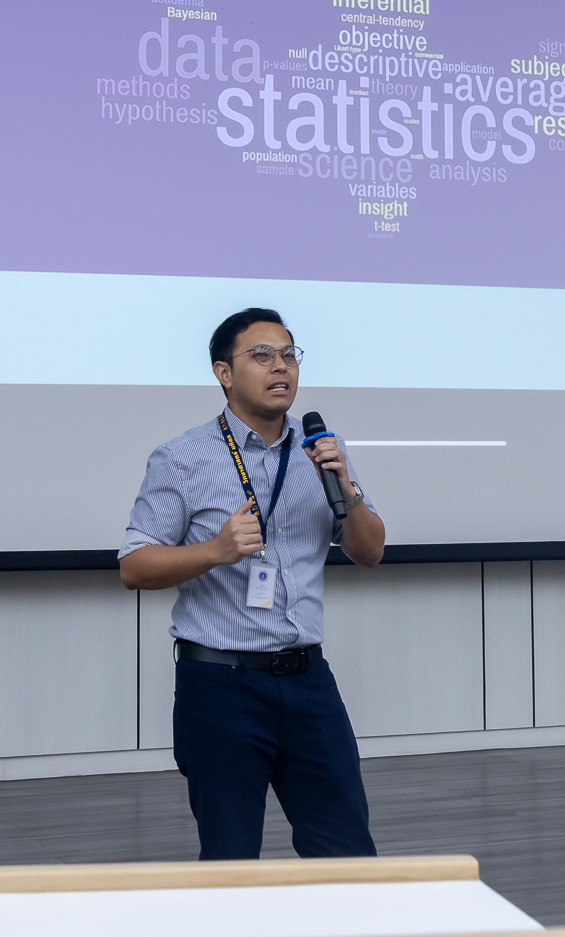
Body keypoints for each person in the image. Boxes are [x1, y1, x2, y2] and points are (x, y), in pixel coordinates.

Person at [119, 306, 386, 860]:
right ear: (224, 372)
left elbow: (370, 551)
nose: (280, 366)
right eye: (261, 355)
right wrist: (215, 551)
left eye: (289, 354)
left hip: (309, 683)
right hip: (222, 686)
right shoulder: (182, 459)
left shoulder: (321, 452)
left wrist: (347, 487)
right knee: (231, 860)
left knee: (347, 854)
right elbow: (134, 566)